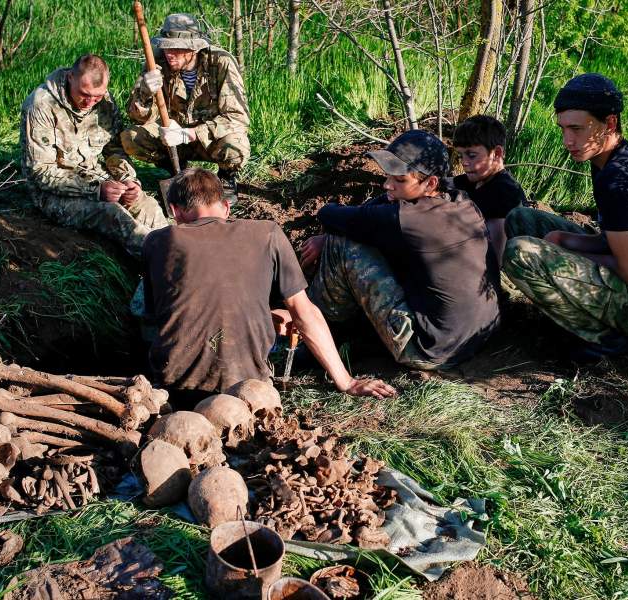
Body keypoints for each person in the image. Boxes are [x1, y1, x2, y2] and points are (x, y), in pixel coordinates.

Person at [141, 168, 395, 400]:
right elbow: (303, 311)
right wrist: (347, 381)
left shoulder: (156, 241)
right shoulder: (267, 232)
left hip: (175, 385)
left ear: (174, 211)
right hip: (246, 382)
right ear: (227, 207)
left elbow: (162, 313)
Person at [503, 73, 628, 357]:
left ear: (610, 123)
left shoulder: (617, 179)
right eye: (563, 129)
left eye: (577, 128)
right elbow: (621, 241)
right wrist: (565, 240)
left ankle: (602, 339)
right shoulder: (614, 156)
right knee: (522, 219)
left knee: (520, 253)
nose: (568, 140)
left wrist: (566, 254)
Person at [300, 130, 501, 370]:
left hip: (428, 349)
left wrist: (327, 237)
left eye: (400, 180)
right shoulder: (462, 202)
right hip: (476, 336)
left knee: (340, 244)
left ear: (431, 183)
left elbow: (331, 214)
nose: (387, 184)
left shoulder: (406, 219)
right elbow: (370, 216)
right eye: (388, 176)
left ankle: (318, 335)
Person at [20, 54, 167, 257]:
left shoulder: (104, 102)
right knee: (113, 215)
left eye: (97, 96)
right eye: (84, 94)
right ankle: (160, 261)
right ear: (70, 77)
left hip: (95, 176)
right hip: (52, 193)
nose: (90, 102)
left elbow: (114, 149)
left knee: (147, 205)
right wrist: (96, 190)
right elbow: (41, 172)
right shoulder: (40, 105)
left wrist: (128, 179)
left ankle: (175, 250)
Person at [122, 14, 249, 202]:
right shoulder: (156, 62)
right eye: (166, 47)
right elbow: (139, 119)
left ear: (193, 48)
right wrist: (145, 93)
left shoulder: (221, 63)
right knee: (131, 138)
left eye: (176, 48)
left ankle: (226, 177)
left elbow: (237, 118)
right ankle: (174, 170)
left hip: (210, 139)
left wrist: (190, 133)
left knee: (236, 147)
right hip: (172, 138)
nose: (169, 53)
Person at [452, 115, 528, 264]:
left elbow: (497, 254)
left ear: (497, 153)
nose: (464, 163)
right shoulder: (472, 180)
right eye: (461, 155)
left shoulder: (505, 193)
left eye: (472, 155)